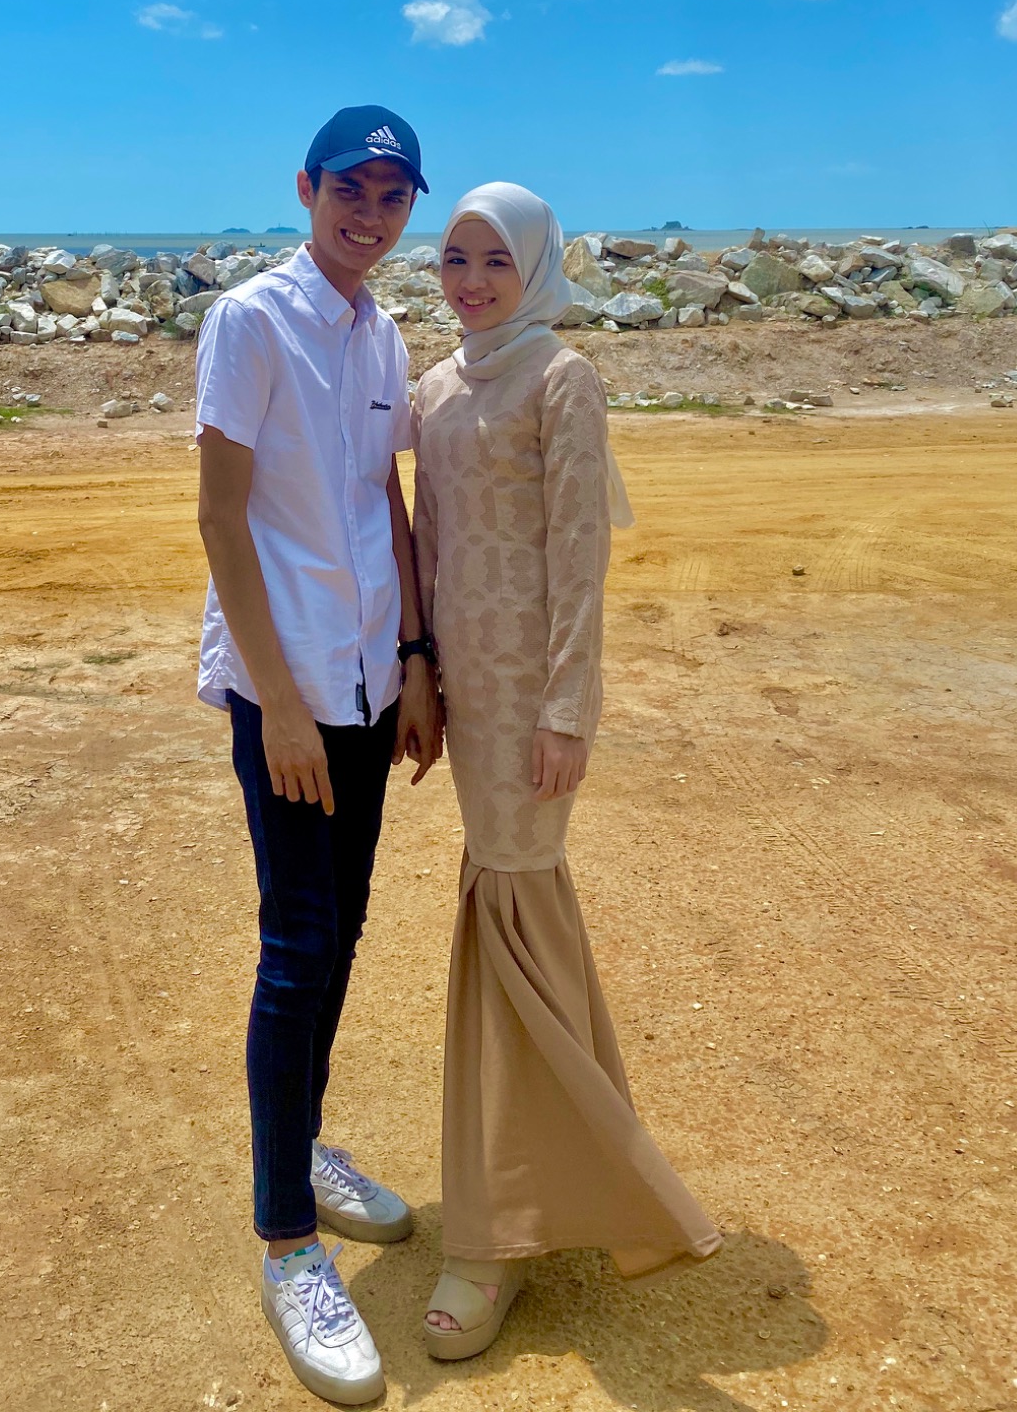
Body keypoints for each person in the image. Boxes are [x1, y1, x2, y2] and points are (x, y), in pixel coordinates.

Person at [411, 181, 721, 1359]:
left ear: (537, 265)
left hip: (532, 708)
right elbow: (427, 545)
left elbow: (580, 556)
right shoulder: (435, 386)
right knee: (515, 923)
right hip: (467, 701)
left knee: (510, 923)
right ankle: (560, 1181)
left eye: (496, 259)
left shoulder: (562, 377)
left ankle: (497, 1232)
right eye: (456, 258)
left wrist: (566, 711)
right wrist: (423, 676)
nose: (473, 280)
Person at [195, 106, 445, 1406]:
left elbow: (381, 500)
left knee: (339, 932)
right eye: (353, 188)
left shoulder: (384, 333)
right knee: (296, 948)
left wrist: (416, 656)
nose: (372, 213)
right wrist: (280, 702)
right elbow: (220, 514)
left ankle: (302, 1145)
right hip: (285, 683)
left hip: (365, 679)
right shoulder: (251, 320)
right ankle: (288, 1240)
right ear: (307, 187)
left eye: (395, 196)